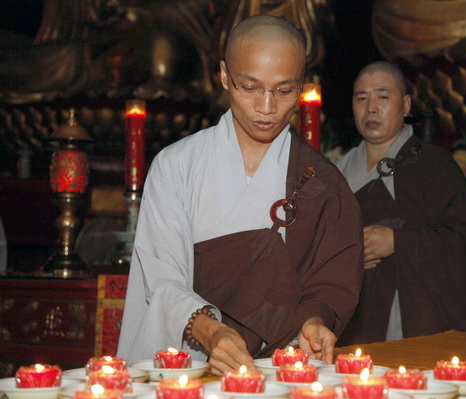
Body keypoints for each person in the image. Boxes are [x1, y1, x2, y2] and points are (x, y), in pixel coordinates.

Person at [117, 15, 363, 375]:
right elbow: (162, 278)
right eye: (249, 87)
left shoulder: (322, 183)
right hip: (184, 365)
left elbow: (330, 280)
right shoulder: (177, 166)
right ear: (224, 76)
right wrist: (212, 332)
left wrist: (313, 321)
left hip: (275, 373)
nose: (267, 107)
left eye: (284, 90)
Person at [335, 61, 466, 345]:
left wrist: (398, 242)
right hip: (351, 319)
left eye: (383, 97)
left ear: (406, 106)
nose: (371, 108)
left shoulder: (432, 165)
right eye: (361, 98)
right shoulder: (336, 171)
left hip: (413, 318)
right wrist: (349, 253)